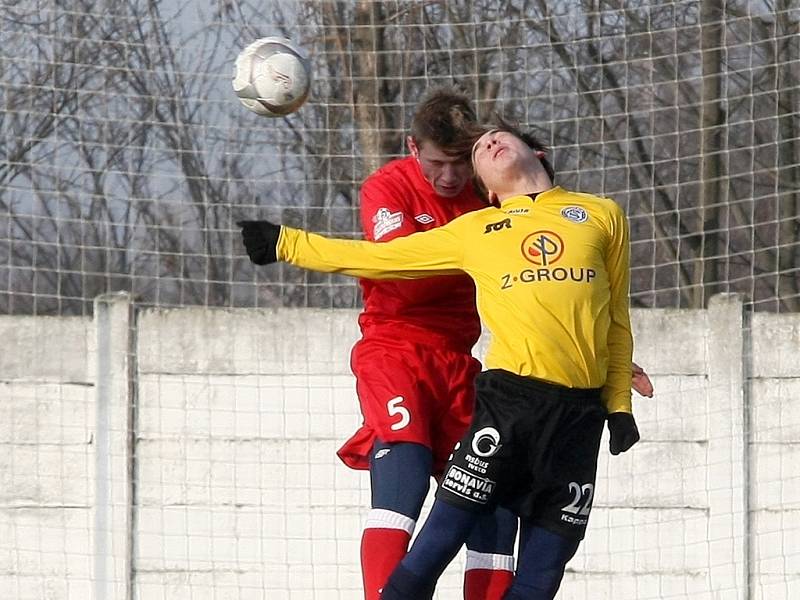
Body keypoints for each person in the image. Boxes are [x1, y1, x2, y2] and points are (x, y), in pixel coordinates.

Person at [238, 117, 651, 598]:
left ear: (536, 153)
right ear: (489, 192)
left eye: (499, 137)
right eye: (480, 152)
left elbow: (616, 321)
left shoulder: (601, 214)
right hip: (509, 404)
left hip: (579, 419)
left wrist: (618, 406)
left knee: (542, 575)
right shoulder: (476, 229)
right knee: (437, 542)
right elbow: (377, 258)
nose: (490, 144)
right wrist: (286, 242)